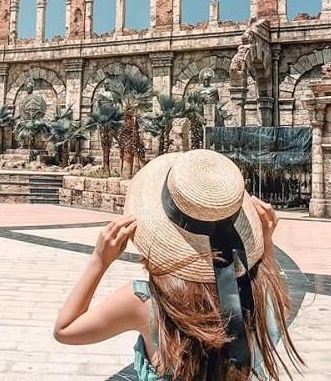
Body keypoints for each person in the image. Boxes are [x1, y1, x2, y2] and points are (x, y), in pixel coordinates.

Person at [54, 150, 303, 381]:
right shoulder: (256, 297)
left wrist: (99, 261)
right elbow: (280, 308)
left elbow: (65, 329)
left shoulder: (148, 303)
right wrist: (266, 245)